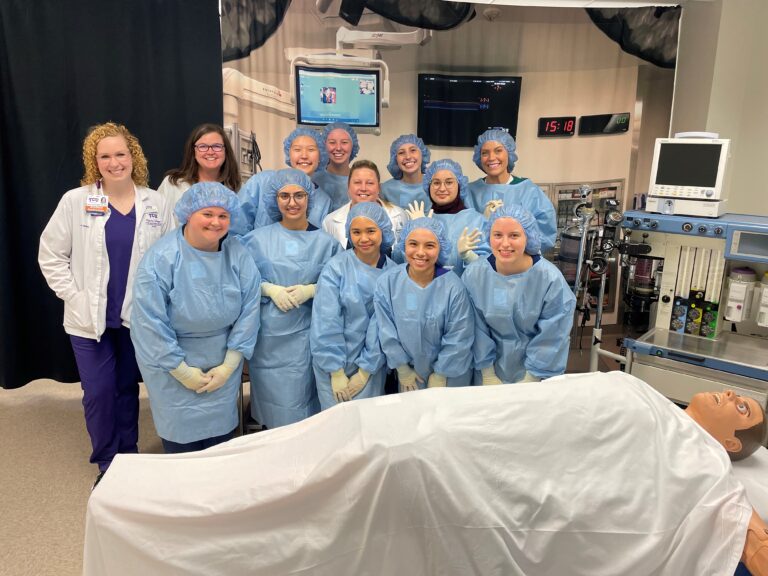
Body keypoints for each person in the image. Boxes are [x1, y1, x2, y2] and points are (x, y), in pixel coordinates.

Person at [83, 372, 768, 576]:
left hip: (453, 459)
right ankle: (161, 495)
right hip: (453, 416)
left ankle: (156, 519)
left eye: (743, 408)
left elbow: (736, 529)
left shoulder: (701, 463)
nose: (729, 396)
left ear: (737, 441)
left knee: (364, 472)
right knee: (340, 438)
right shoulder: (647, 394)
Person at [38, 122, 174, 484]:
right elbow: (50, 254)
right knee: (98, 392)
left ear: (133, 156)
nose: (114, 162)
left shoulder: (155, 203)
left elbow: (170, 258)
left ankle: (127, 455)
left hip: (137, 317)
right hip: (88, 319)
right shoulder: (76, 200)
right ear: (94, 161)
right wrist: (74, 295)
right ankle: (107, 463)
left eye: (120, 154)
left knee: (128, 388)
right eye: (105, 156)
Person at [130, 182, 261, 453]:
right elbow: (148, 322)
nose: (216, 222)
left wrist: (229, 365)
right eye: (208, 214)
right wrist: (180, 370)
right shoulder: (162, 259)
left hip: (222, 359)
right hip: (170, 363)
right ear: (189, 214)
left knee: (220, 445)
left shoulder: (237, 254)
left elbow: (250, 308)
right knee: (182, 446)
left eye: (223, 216)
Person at [241, 169, 341, 428]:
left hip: (309, 337)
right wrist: (268, 289)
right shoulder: (256, 240)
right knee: (274, 416)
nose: (292, 202)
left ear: (310, 199)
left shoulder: (326, 243)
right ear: (275, 199)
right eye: (284, 196)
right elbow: (240, 280)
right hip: (269, 341)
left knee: (306, 412)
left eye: (299, 195)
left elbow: (341, 284)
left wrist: (312, 290)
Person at [463, 205, 575, 385]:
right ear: (489, 236)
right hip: (488, 375)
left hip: (536, 376)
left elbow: (553, 335)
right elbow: (474, 327)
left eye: (514, 235)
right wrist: (487, 373)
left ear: (528, 237)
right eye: (497, 235)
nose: (505, 243)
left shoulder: (549, 279)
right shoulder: (475, 275)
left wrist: (532, 377)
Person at [311, 203, 396, 410]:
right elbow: (326, 319)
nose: (363, 239)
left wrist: (366, 370)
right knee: (336, 429)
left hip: (371, 366)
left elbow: (384, 327)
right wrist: (336, 371)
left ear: (383, 231)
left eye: (371, 231)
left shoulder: (393, 274)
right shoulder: (336, 268)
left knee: (367, 427)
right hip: (332, 366)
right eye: (356, 232)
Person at [374, 217, 474, 390]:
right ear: (404, 245)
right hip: (411, 377)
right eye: (413, 244)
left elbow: (459, 335)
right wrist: (402, 368)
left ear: (440, 248)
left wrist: (441, 373)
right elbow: (386, 330)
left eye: (429, 246)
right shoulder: (388, 283)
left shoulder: (453, 287)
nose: (420, 252)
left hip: (450, 377)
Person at [466, 128, 557, 251]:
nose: (491, 157)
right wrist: (482, 221)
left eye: (498, 151)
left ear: (509, 154)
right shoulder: (470, 192)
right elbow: (463, 233)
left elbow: (545, 235)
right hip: (480, 265)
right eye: (485, 153)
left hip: (518, 266)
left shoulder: (529, 191)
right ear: (479, 158)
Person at [401, 158, 490, 276]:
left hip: (465, 291)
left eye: (449, 182)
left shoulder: (476, 221)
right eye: (436, 183)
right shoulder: (419, 218)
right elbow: (401, 261)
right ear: (429, 186)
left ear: (459, 185)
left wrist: (469, 256)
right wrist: (418, 229)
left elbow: (487, 271)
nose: (442, 188)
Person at [238, 127, 333, 233]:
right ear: (289, 154)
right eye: (297, 149)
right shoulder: (261, 182)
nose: (304, 155)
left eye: (311, 150)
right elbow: (237, 227)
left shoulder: (324, 201)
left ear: (321, 156)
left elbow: (320, 241)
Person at [157, 123, 241, 221]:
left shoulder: (238, 189)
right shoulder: (173, 184)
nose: (210, 152)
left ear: (226, 151)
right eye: (203, 146)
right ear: (193, 152)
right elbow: (157, 225)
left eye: (217, 146)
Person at [322, 159, 408, 249]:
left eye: (370, 183)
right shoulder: (330, 222)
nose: (363, 188)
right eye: (357, 182)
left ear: (378, 187)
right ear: (348, 186)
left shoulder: (400, 215)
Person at [312, 122, 360, 211]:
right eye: (332, 142)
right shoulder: (313, 179)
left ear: (353, 146)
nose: (338, 148)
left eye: (344, 142)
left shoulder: (361, 181)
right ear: (324, 146)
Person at [380, 134, 431, 210]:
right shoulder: (385, 190)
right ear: (395, 159)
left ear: (422, 154)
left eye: (413, 150)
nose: (408, 157)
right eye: (401, 153)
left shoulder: (435, 186)